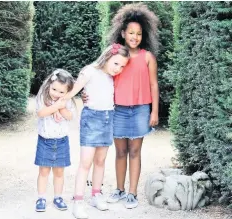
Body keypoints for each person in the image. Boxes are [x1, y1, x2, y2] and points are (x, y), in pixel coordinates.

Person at [82, 3, 160, 209]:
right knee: (120, 152)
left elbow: (153, 84)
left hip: (141, 110)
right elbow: (99, 76)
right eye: (131, 33)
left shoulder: (148, 57)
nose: (135, 37)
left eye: (139, 33)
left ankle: (132, 193)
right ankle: (119, 189)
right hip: (117, 110)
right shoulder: (117, 57)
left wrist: (154, 111)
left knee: (135, 152)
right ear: (123, 33)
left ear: (143, 35)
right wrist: (86, 94)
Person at [64, 44, 130, 219]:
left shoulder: (112, 77)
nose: (119, 69)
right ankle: (78, 201)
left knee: (100, 161)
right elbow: (71, 92)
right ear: (107, 56)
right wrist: (56, 108)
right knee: (86, 162)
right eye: (116, 64)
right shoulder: (89, 71)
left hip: (108, 118)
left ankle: (96, 194)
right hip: (91, 118)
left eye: (122, 66)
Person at [34, 69, 75, 212]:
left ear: (68, 92)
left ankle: (58, 197)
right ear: (49, 85)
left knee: (59, 172)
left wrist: (61, 108)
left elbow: (70, 116)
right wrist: (55, 107)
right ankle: (41, 198)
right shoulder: (43, 96)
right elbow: (40, 113)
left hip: (61, 141)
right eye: (54, 89)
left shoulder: (67, 101)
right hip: (45, 140)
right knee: (43, 171)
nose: (56, 93)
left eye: (61, 92)